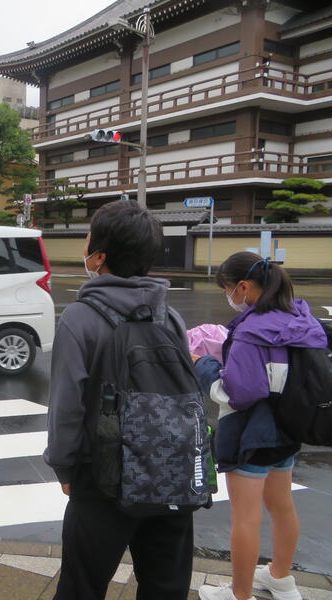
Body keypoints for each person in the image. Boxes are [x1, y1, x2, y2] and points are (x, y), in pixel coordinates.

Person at [45, 199, 195, 600]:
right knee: (165, 588)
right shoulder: (170, 317)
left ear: (99, 256)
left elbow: (67, 405)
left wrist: (64, 465)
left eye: (88, 238)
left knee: (81, 587)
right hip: (169, 473)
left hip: (102, 477)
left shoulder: (80, 318)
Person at [194, 252, 326, 600]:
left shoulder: (252, 331)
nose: (228, 296)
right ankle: (281, 578)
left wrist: (203, 364)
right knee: (282, 506)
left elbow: (239, 393)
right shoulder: (300, 317)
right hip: (288, 427)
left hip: (250, 434)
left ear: (243, 287)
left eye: (227, 289)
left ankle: (240, 595)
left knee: (245, 518)